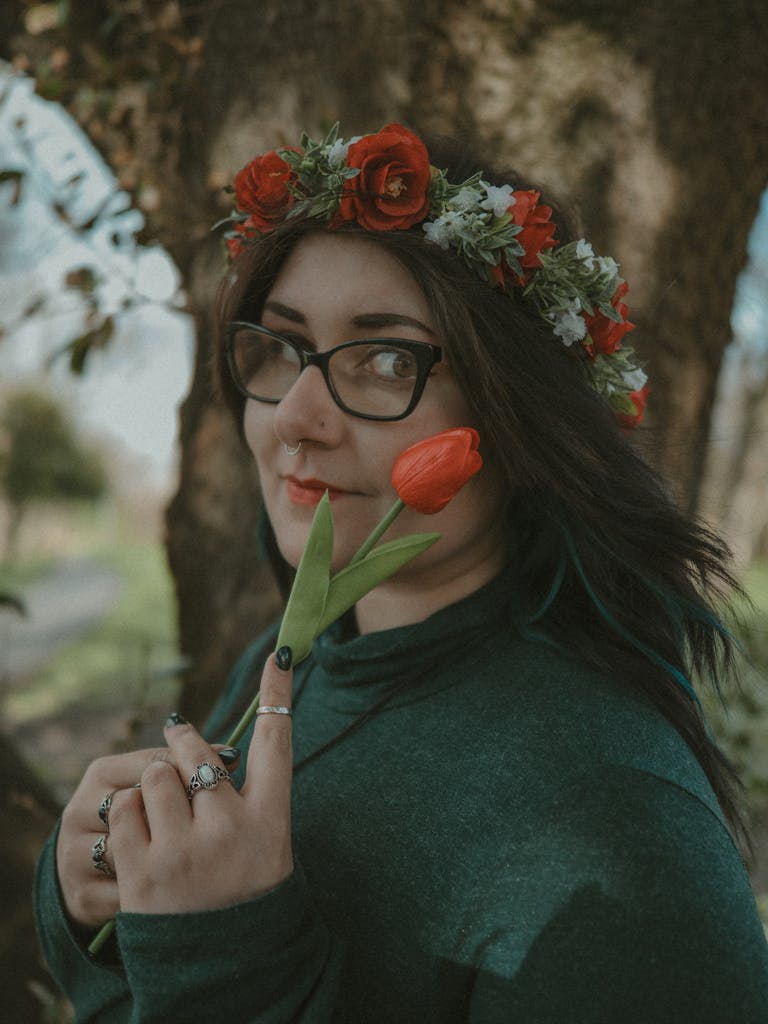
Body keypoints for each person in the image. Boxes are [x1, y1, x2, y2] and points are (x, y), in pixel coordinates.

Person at [35, 123, 768, 1022]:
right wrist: (99, 900)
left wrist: (219, 955)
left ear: (517, 418)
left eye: (386, 360)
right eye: (284, 344)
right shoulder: (297, 658)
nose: (295, 416)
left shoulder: (618, 831)